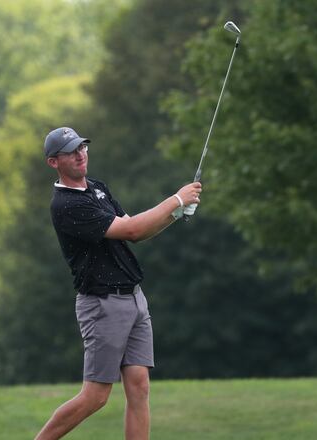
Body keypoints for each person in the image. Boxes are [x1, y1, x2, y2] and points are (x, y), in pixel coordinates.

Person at [35, 127, 201, 440]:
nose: (80, 154)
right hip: (102, 303)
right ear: (53, 162)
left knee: (139, 387)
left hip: (134, 299)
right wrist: (175, 199)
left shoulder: (97, 189)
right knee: (95, 397)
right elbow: (132, 231)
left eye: (82, 147)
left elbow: (136, 230)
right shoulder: (67, 204)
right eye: (71, 151)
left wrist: (176, 213)